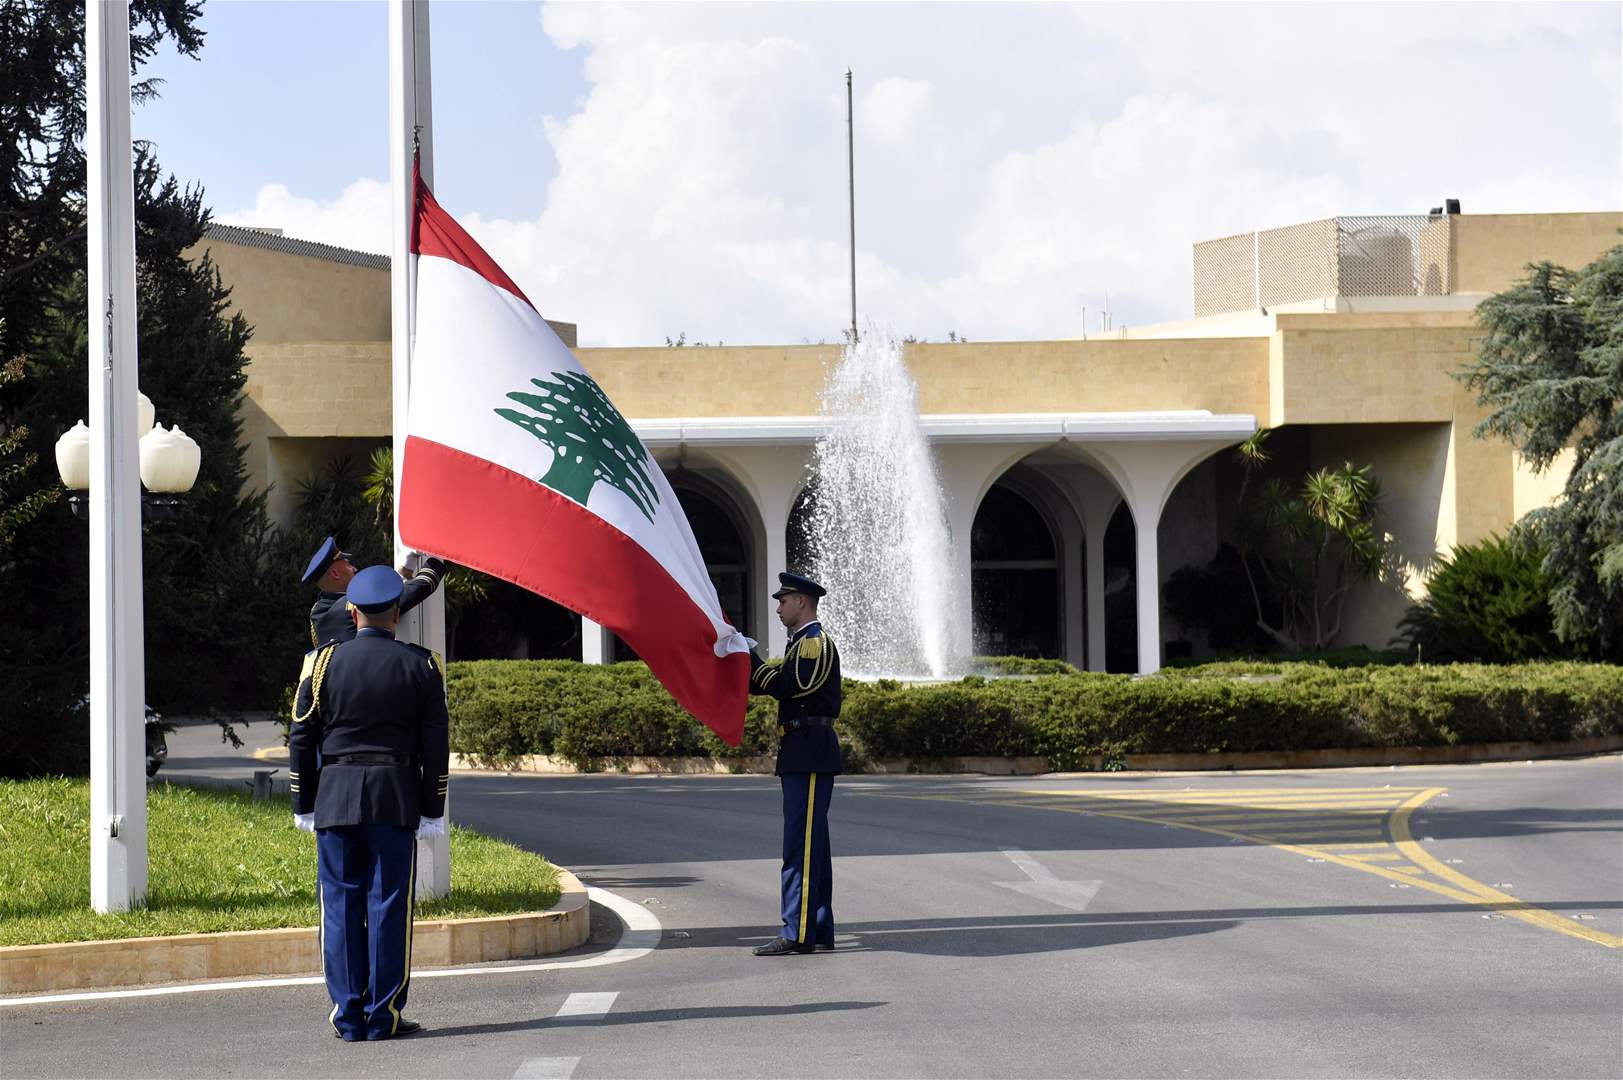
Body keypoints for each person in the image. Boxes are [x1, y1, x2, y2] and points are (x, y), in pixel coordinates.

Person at [289, 565, 451, 1041]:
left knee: (338, 905)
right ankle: (384, 1017)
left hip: (336, 795)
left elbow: (302, 736)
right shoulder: (421, 665)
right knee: (389, 905)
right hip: (395, 794)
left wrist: (304, 801)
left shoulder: (321, 664)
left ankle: (347, 1015)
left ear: (352, 611)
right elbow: (435, 746)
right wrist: (431, 808)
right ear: (397, 614)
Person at [747, 571, 843, 956]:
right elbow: (767, 682)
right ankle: (817, 928)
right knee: (812, 847)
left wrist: (750, 658)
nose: (778, 607)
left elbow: (790, 685)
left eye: (783, 600)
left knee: (799, 849)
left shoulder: (813, 643)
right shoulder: (799, 644)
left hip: (809, 750)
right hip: (802, 749)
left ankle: (797, 931)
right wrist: (740, 656)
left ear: (802, 601)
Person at [301, 536, 446, 648]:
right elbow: (420, 587)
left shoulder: (318, 611)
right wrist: (437, 558)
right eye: (348, 564)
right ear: (335, 574)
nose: (354, 569)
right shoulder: (352, 605)